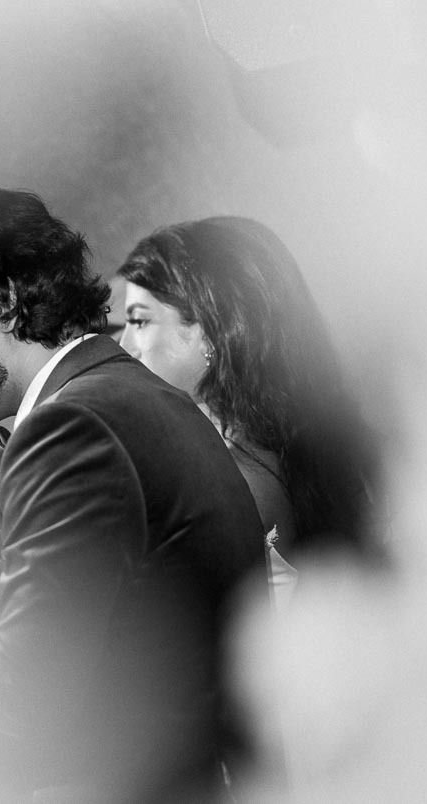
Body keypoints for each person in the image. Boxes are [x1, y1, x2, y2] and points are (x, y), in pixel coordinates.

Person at [0, 188, 266, 802]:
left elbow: (24, 695)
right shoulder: (126, 395)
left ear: (2, 305)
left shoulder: (76, 425)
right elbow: (97, 628)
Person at [115, 217, 383, 606]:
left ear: (208, 330)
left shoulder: (235, 479)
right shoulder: (296, 441)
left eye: (139, 320)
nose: (124, 344)